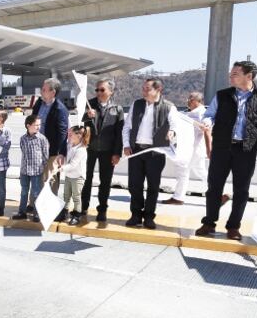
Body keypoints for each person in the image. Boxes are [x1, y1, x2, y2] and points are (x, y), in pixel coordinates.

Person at [196, 61, 257, 241]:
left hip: (246, 151)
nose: (230, 77)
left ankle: (233, 227)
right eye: (231, 73)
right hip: (222, 147)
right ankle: (209, 222)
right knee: (214, 186)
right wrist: (207, 123)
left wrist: (254, 138)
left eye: (235, 74)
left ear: (249, 76)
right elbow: (209, 115)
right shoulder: (222, 95)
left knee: (241, 190)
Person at [122, 78, 177, 229]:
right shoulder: (137, 104)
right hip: (136, 150)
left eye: (148, 89)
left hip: (155, 152)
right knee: (134, 185)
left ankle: (149, 216)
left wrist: (172, 132)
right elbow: (127, 127)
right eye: (143, 88)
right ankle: (135, 215)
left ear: (158, 89)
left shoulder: (169, 107)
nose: (144, 91)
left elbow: (175, 125)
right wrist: (126, 145)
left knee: (153, 186)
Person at [81, 78, 124, 222]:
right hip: (90, 148)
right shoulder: (90, 104)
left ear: (111, 91)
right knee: (86, 179)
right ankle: (83, 207)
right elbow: (81, 123)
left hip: (108, 150)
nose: (98, 92)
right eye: (97, 90)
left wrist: (117, 153)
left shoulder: (117, 109)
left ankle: (102, 209)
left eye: (102, 90)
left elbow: (119, 134)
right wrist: (87, 116)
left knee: (105, 181)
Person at [163, 92, 211, 205]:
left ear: (198, 101)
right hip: (190, 148)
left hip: (195, 149)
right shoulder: (188, 113)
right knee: (200, 172)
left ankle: (178, 197)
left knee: (184, 170)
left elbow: (207, 130)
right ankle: (218, 194)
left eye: (191, 99)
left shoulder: (202, 113)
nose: (188, 101)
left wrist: (209, 149)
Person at [30, 78, 69, 195]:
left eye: (44, 89)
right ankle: (34, 203)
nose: (41, 91)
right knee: (36, 180)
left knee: (50, 181)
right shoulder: (38, 104)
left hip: (52, 152)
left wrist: (61, 153)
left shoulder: (60, 109)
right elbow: (31, 121)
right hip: (36, 149)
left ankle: (50, 204)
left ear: (53, 92)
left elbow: (63, 133)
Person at [13, 115, 49, 221]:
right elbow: (23, 152)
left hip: (37, 172)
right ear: (28, 126)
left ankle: (37, 213)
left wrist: (44, 169)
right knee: (24, 192)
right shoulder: (23, 139)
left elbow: (45, 156)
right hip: (24, 171)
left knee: (36, 193)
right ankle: (22, 212)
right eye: (36, 125)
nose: (38, 127)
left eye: (39, 125)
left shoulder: (42, 139)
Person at [62, 126, 90, 225]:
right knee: (66, 195)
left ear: (78, 136)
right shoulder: (70, 145)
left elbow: (73, 164)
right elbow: (66, 158)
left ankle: (77, 215)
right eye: (68, 134)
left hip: (78, 177)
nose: (68, 136)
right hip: (69, 175)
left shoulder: (81, 149)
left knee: (76, 197)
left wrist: (61, 168)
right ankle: (64, 212)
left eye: (71, 134)